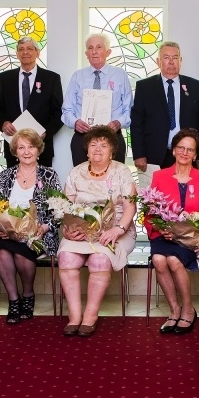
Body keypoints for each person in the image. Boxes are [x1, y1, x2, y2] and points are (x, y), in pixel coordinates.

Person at [58, 126, 137, 337]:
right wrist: (68, 229)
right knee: (66, 258)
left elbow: (130, 207)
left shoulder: (122, 172)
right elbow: (66, 208)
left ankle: (90, 316)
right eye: (93, 145)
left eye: (104, 145)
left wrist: (117, 230)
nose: (98, 149)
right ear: (86, 150)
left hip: (117, 230)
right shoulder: (76, 172)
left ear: (112, 150)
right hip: (81, 231)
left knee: (99, 260)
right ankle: (74, 316)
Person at [147, 129, 199, 334]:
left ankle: (188, 309)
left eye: (190, 150)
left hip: (191, 238)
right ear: (174, 150)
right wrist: (162, 228)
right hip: (165, 235)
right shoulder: (159, 176)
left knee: (173, 260)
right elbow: (151, 211)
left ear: (195, 155)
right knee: (160, 259)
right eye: (181, 148)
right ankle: (174, 309)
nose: (185, 153)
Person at [0, 128, 61, 324]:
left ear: (39, 149)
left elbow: (60, 210)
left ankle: (28, 294)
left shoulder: (49, 175)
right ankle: (14, 300)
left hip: (36, 233)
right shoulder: (5, 176)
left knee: (22, 251)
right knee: (3, 252)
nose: (27, 151)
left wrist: (45, 227)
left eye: (31, 146)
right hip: (6, 233)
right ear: (15, 151)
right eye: (21, 147)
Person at [131, 42, 199, 170]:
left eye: (175, 57)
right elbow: (137, 123)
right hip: (153, 155)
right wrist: (138, 154)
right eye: (166, 58)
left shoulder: (196, 87)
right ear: (158, 61)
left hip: (187, 154)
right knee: (155, 190)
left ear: (181, 60)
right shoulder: (144, 87)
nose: (171, 62)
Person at [61, 33, 132, 166]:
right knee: (82, 180)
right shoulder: (77, 76)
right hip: (82, 137)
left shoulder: (120, 75)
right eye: (90, 48)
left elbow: (129, 108)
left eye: (99, 47)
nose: (94, 51)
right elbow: (67, 110)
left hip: (112, 136)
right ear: (86, 53)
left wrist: (118, 122)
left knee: (113, 181)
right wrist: (75, 122)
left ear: (108, 52)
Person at [0, 37, 63, 168]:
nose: (25, 52)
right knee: (13, 186)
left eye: (30, 49)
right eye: (21, 49)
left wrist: (45, 132)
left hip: (41, 147)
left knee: (42, 187)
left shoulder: (51, 78)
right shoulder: (5, 78)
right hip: (13, 146)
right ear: (17, 54)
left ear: (38, 52)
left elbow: (59, 113)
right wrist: (3, 123)